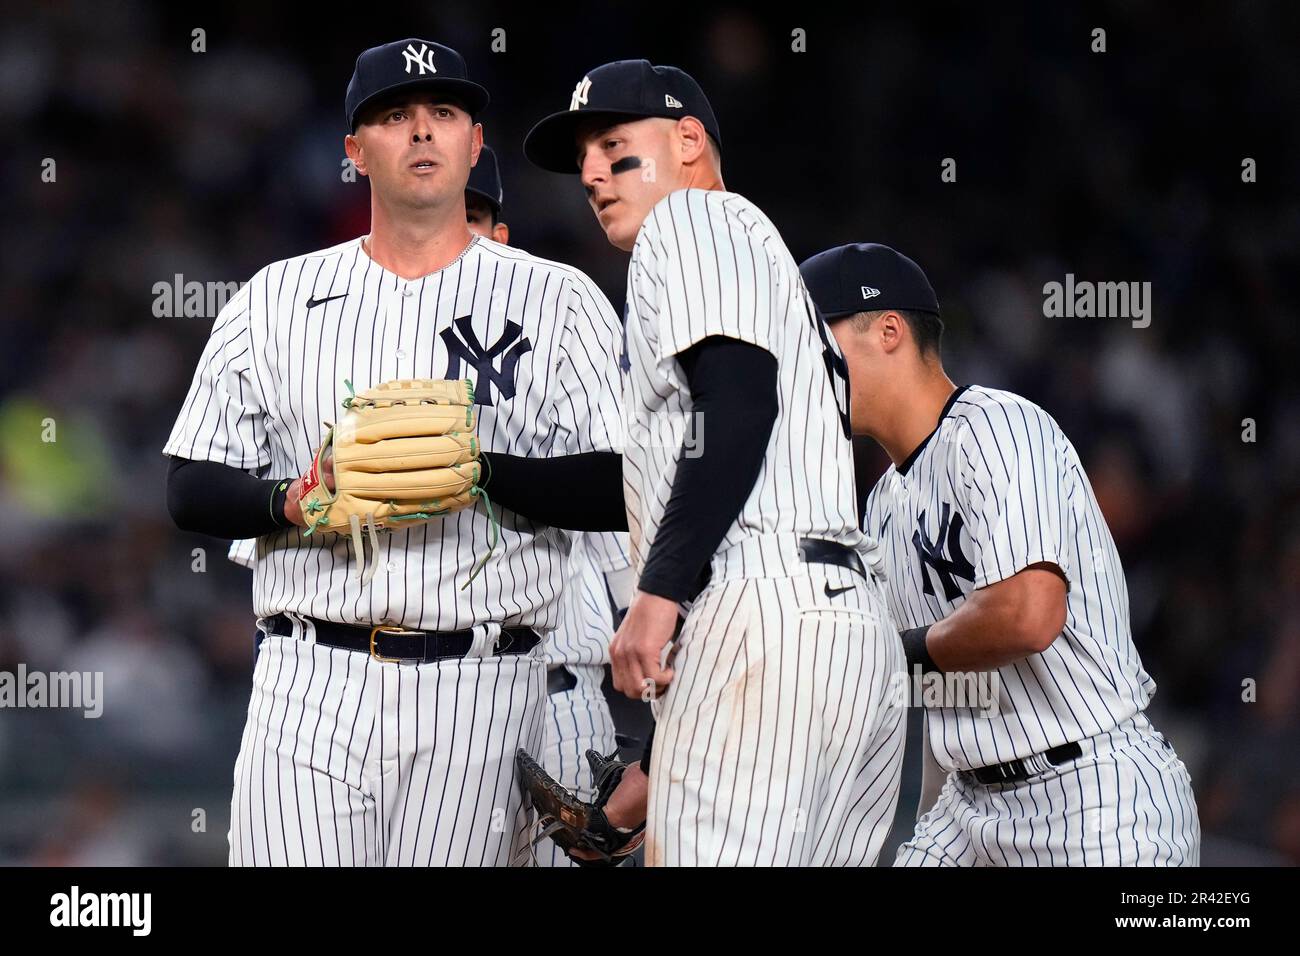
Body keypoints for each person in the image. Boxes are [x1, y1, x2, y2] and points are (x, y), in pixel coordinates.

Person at [164, 38, 623, 866]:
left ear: (474, 143)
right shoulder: (274, 298)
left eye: (443, 112)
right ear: (354, 151)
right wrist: (289, 501)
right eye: (394, 115)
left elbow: (624, 484)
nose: (421, 131)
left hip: (484, 684)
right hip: (311, 674)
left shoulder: (559, 299)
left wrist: (483, 473)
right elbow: (189, 484)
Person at [521, 60, 905, 866]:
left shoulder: (690, 219)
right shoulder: (757, 258)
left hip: (757, 603)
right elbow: (646, 475)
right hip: (840, 628)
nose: (590, 173)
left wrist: (656, 595)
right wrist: (487, 475)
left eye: (612, 144)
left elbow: (737, 405)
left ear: (688, 140)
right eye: (583, 158)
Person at [799, 242, 1201, 866]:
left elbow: (1027, 615)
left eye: (816, 342)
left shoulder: (997, 426)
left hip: (1092, 796)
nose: (806, 367)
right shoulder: (880, 504)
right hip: (969, 808)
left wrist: (889, 653)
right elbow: (906, 685)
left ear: (888, 331)